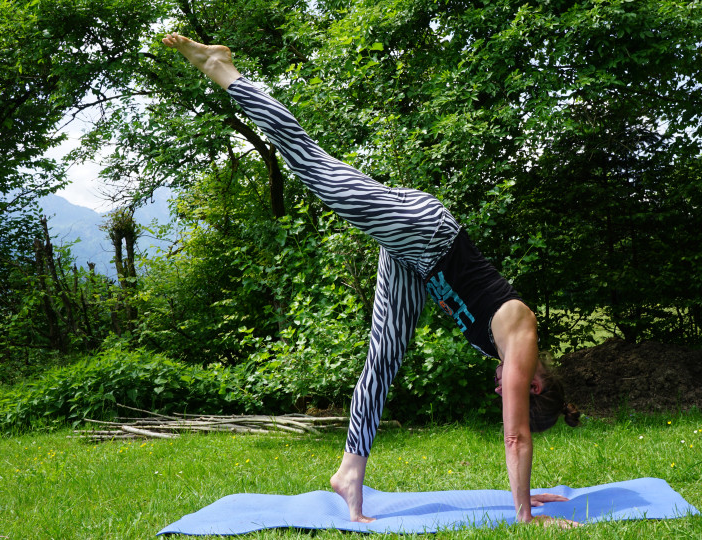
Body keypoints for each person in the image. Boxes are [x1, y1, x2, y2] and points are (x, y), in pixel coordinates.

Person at [162, 33, 581, 527]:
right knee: (313, 169)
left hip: (416, 262)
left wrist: (529, 494)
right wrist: (525, 516)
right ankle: (222, 69)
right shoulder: (522, 342)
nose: (499, 394)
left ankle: (349, 472)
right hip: (427, 233)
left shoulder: (511, 352)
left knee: (383, 359)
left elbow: (514, 431)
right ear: (534, 387)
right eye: (513, 397)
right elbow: (515, 437)